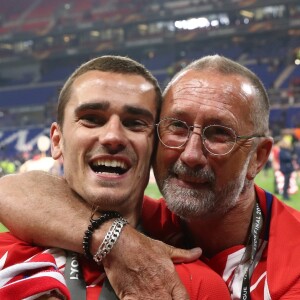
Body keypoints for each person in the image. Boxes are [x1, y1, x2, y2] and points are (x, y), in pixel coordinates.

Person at [1, 54, 300, 299]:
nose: (191, 154)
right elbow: (13, 191)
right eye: (178, 127)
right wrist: (115, 241)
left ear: (258, 157)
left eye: (220, 133)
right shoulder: (154, 216)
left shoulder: (290, 266)